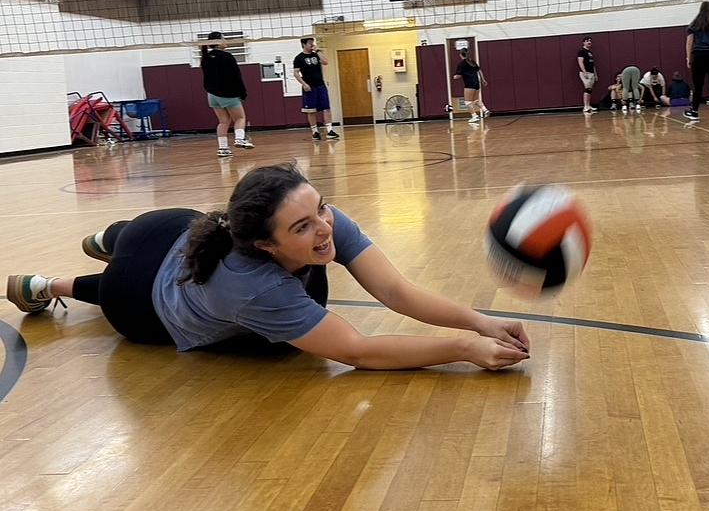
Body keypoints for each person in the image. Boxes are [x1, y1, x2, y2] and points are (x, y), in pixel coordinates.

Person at [6, 163, 530, 371]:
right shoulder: (253, 287)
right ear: (265, 244)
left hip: (168, 227)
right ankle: (52, 284)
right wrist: (464, 348)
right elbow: (356, 350)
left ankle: (106, 238)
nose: (323, 228)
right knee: (109, 283)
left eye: (320, 209)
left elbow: (394, 289)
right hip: (143, 304)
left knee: (142, 232)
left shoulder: (317, 224)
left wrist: (480, 322)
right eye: (301, 227)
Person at [200, 31, 253, 157]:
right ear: (217, 43)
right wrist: (242, 93)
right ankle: (240, 139)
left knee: (223, 121)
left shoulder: (206, 57)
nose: (226, 41)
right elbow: (236, 77)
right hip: (227, 94)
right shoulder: (227, 57)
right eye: (224, 39)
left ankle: (223, 149)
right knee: (240, 118)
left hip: (212, 95)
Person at [293, 37, 340, 141]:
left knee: (326, 108)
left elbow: (325, 62)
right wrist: (304, 84)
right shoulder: (299, 58)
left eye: (312, 42)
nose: (312, 44)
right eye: (309, 43)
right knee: (311, 110)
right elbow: (296, 73)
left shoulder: (316, 54)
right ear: (304, 44)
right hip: (309, 87)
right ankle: (315, 132)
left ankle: (329, 131)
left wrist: (318, 50)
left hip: (320, 85)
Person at [453, 48, 489, 124]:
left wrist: (455, 77)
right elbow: (479, 70)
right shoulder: (472, 62)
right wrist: (483, 79)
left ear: (460, 55)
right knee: (475, 100)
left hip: (469, 84)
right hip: (477, 83)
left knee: (468, 102)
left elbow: (458, 76)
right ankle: (485, 110)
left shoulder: (461, 64)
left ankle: (474, 116)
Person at [577, 37, 598, 113]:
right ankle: (585, 106)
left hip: (592, 73)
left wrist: (595, 74)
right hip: (586, 73)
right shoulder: (581, 52)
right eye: (587, 41)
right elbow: (580, 62)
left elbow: (593, 64)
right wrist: (584, 72)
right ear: (584, 42)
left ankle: (588, 105)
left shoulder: (590, 53)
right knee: (587, 89)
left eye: (590, 41)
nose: (589, 42)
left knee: (590, 90)